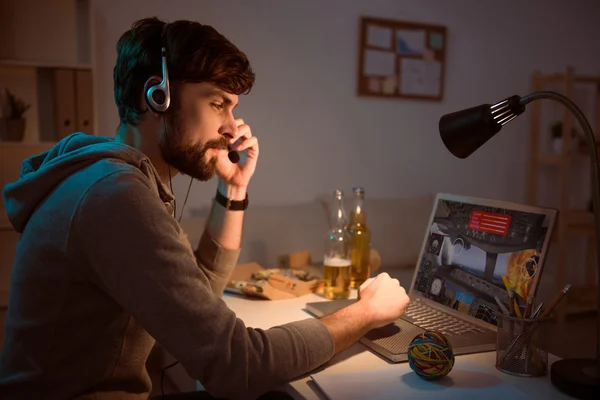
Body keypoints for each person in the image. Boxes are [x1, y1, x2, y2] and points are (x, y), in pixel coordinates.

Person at [0, 17, 410, 400]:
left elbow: (199, 293)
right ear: (156, 96)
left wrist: (233, 190)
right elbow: (236, 365)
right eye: (217, 104)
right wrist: (365, 314)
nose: (233, 126)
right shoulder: (115, 196)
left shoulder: (112, 179)